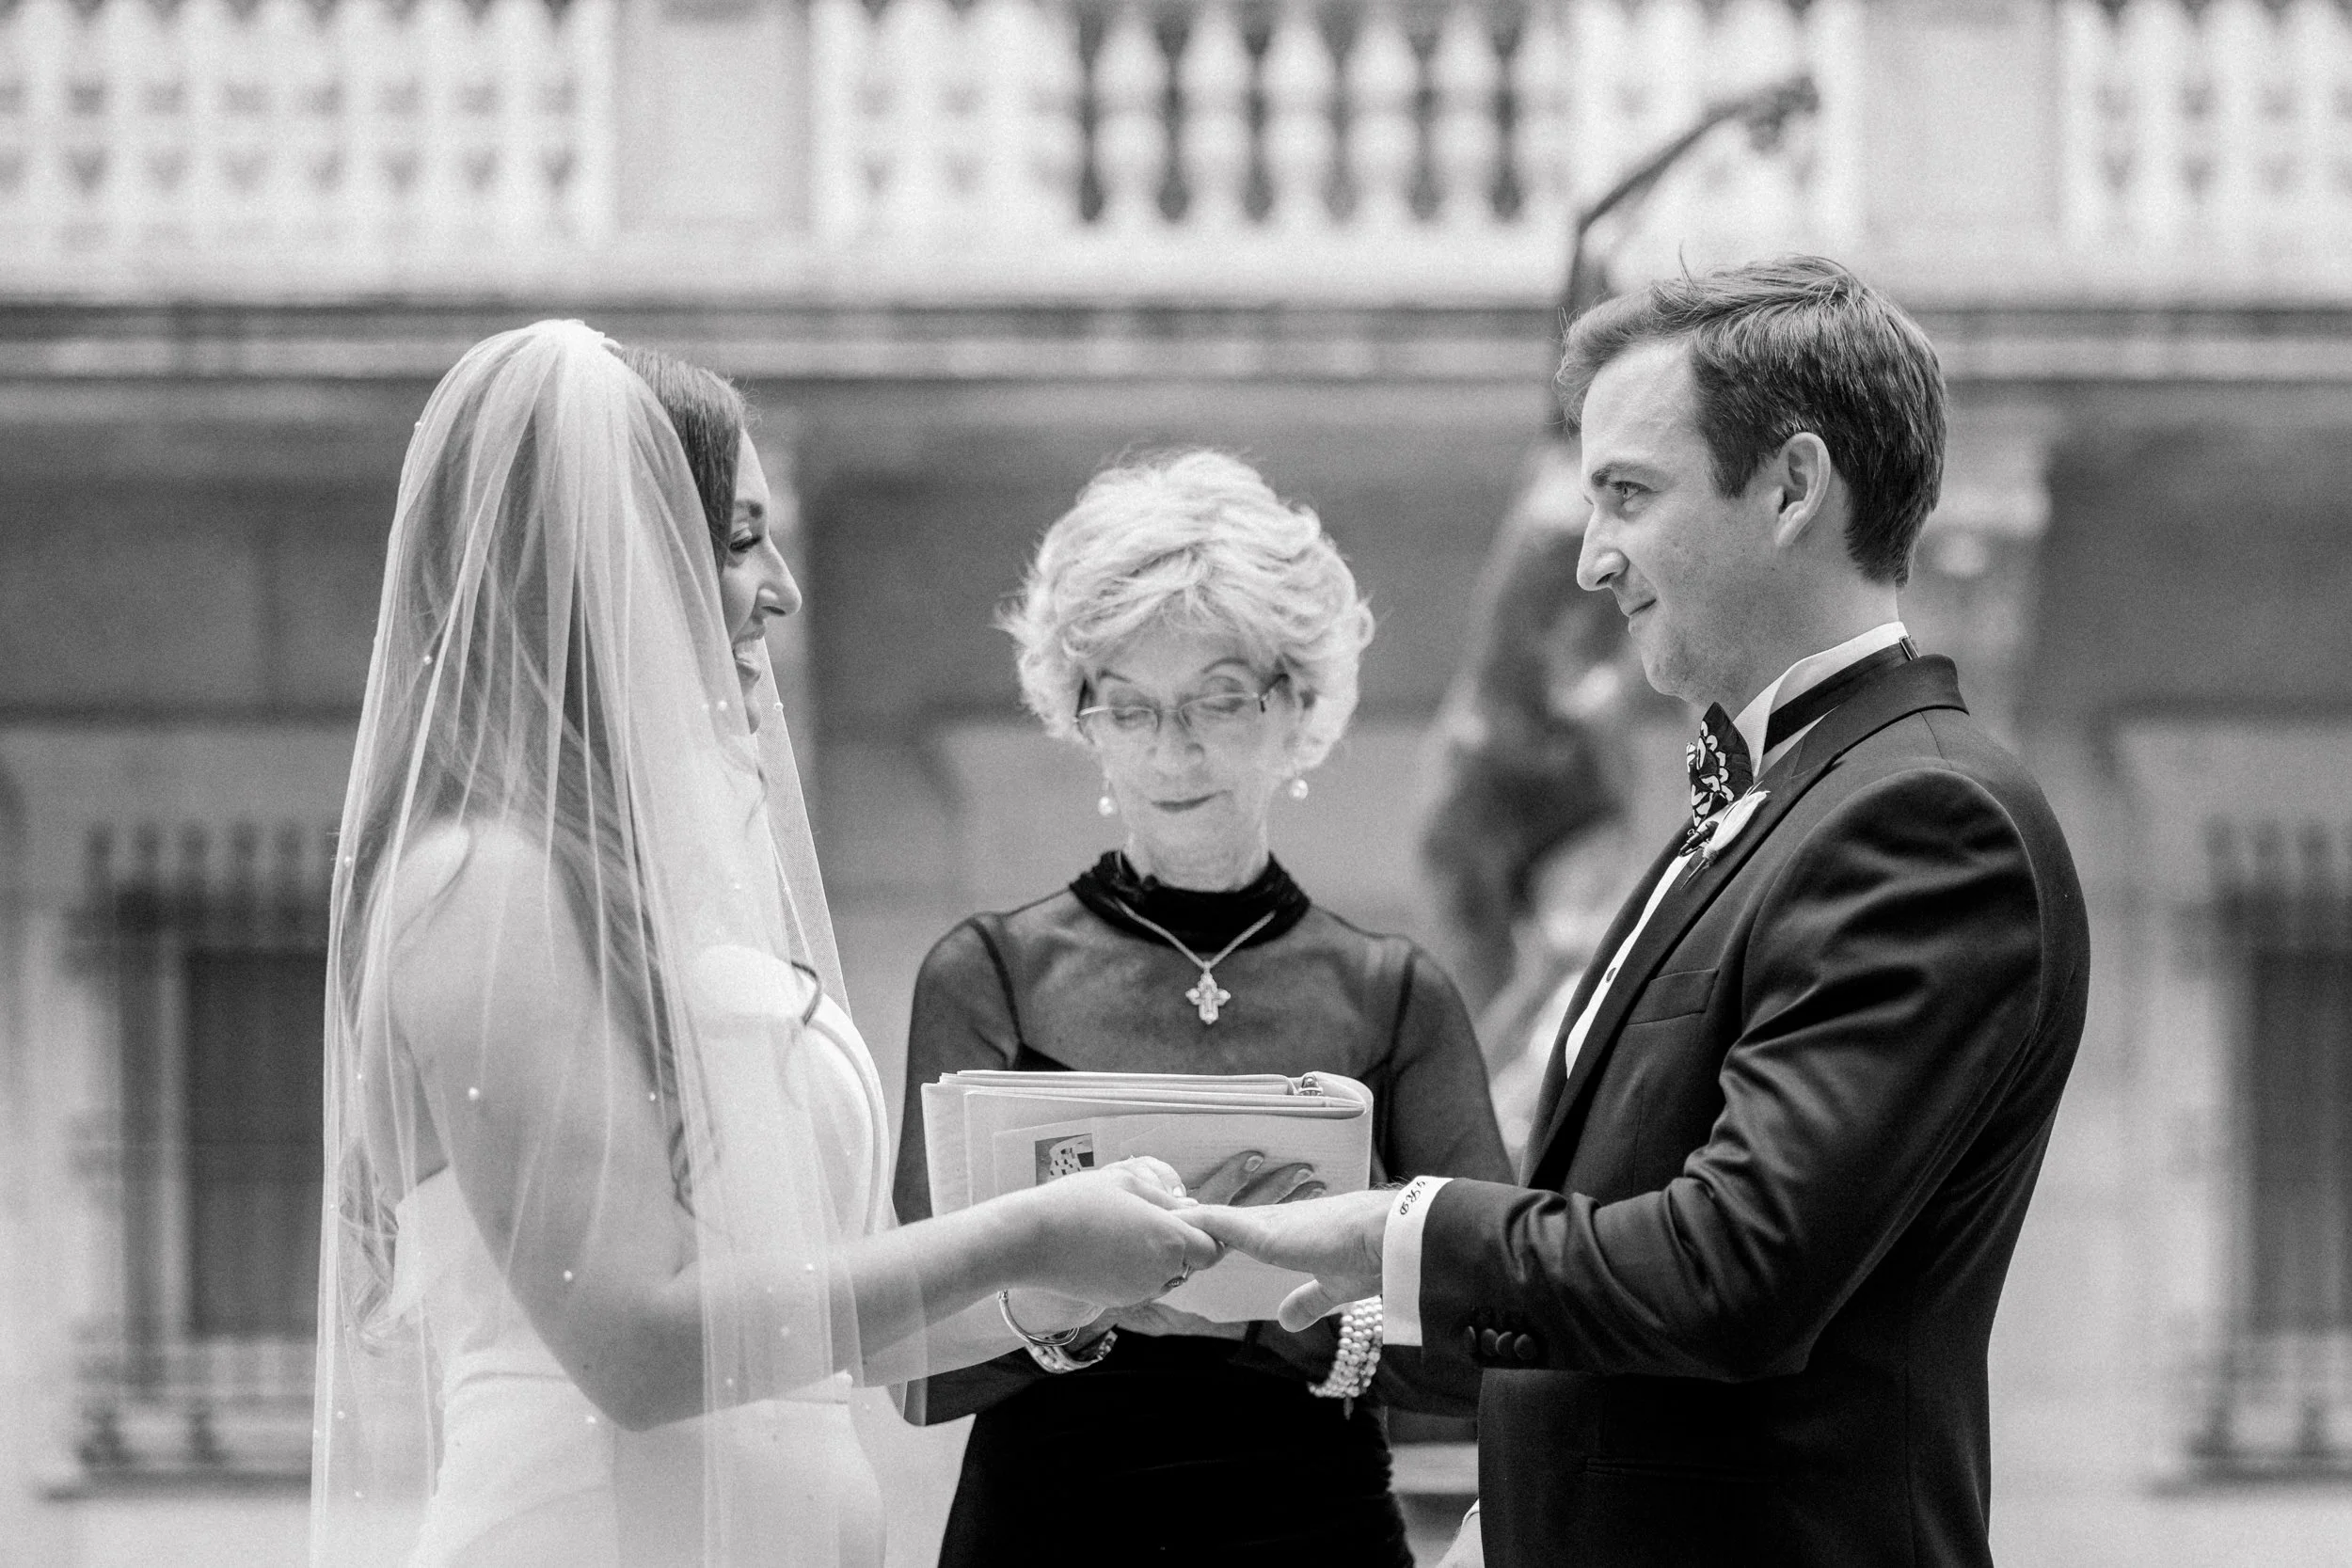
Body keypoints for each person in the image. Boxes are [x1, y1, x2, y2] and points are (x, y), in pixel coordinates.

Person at [1187, 258, 2091, 1568]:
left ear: (1791, 487)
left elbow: (1733, 1270)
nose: (1592, 559)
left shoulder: (1927, 818)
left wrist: (1401, 1227)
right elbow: (1611, 1293)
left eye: (1626, 494)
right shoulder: (1769, 799)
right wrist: (1283, 1291)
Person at [309, 323, 1219, 1568]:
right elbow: (636, 1345)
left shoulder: (654, 888)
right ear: (612, 561)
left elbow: (821, 1325)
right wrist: (1021, 1230)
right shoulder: (481, 882)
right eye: (741, 539)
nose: (781, 586)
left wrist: (1067, 1287)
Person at [893, 450, 1514, 1567]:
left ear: (1296, 705)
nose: (1171, 746)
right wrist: (1092, 1291)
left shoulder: (1390, 991)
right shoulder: (990, 973)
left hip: (1316, 1536)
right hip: (1046, 1536)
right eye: (1128, 705)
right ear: (1082, 718)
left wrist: (1297, 1313)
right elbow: (916, 1357)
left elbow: (1501, 1336)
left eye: (1218, 697)